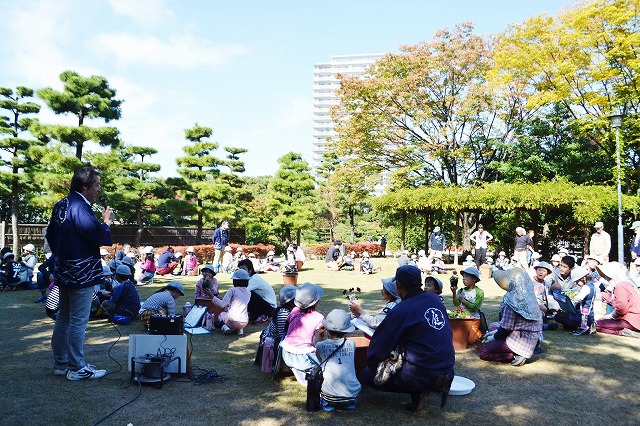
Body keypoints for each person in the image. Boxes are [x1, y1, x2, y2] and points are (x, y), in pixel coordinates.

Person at [46, 167, 114, 380]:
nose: (98, 189)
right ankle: (77, 367)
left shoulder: (62, 204)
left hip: (64, 271)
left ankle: (61, 364)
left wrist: (62, 257)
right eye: (96, 185)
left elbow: (51, 235)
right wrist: (106, 223)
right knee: (77, 320)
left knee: (64, 318)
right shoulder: (79, 207)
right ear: (85, 186)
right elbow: (97, 237)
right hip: (81, 273)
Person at [362, 265, 455, 412]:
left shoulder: (402, 309)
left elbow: (379, 346)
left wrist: (373, 365)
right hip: (447, 370)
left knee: (367, 374)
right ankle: (426, 387)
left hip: (421, 372)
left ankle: (419, 389)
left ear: (399, 285)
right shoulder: (435, 300)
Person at [479, 268, 543, 366]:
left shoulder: (512, 302)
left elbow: (506, 328)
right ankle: (521, 351)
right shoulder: (530, 297)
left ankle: (514, 355)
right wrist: (494, 333)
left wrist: (493, 337)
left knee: (484, 352)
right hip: (533, 336)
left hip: (520, 338)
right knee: (493, 326)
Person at [315, 309, 361, 412]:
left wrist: (320, 335)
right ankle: (349, 404)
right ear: (346, 331)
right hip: (352, 394)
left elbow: (320, 358)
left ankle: (327, 404)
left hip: (330, 396)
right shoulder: (352, 344)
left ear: (327, 329)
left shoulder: (320, 345)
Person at [279, 283, 325, 385]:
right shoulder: (319, 317)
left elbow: (286, 329)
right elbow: (318, 342)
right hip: (303, 358)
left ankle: (288, 367)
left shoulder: (294, 311)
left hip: (286, 353)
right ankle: (305, 372)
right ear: (315, 302)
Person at [595, 262, 640, 338]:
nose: (606, 279)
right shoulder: (625, 283)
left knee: (597, 324)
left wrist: (610, 316)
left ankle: (624, 332)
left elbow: (622, 308)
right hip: (632, 319)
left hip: (630, 320)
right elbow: (610, 297)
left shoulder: (620, 285)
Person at [212, 268, 251, 335]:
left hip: (232, 320)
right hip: (244, 321)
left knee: (221, 315)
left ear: (235, 280)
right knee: (238, 316)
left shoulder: (232, 290)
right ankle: (239, 330)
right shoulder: (249, 292)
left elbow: (222, 304)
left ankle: (225, 328)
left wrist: (211, 296)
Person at [237, 258, 277, 324]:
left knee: (248, 293)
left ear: (250, 270)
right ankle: (253, 314)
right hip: (264, 304)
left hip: (270, 308)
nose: (241, 272)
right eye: (240, 270)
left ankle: (263, 315)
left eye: (243, 270)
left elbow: (243, 292)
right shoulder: (248, 279)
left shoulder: (254, 279)